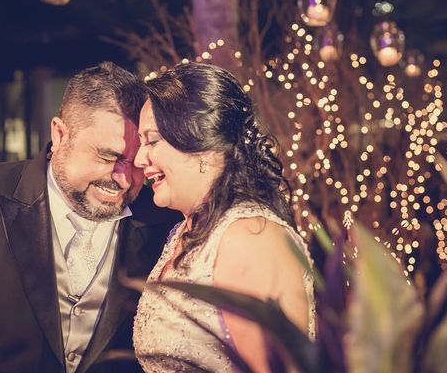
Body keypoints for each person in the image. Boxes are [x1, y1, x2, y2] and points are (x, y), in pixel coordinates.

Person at [0, 62, 179, 373]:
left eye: (136, 162)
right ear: (59, 134)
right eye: (108, 156)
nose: (123, 178)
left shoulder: (166, 222)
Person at [132, 62, 316, 372]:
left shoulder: (250, 239)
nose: (139, 159)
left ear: (203, 147)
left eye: (151, 141)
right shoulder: (184, 232)